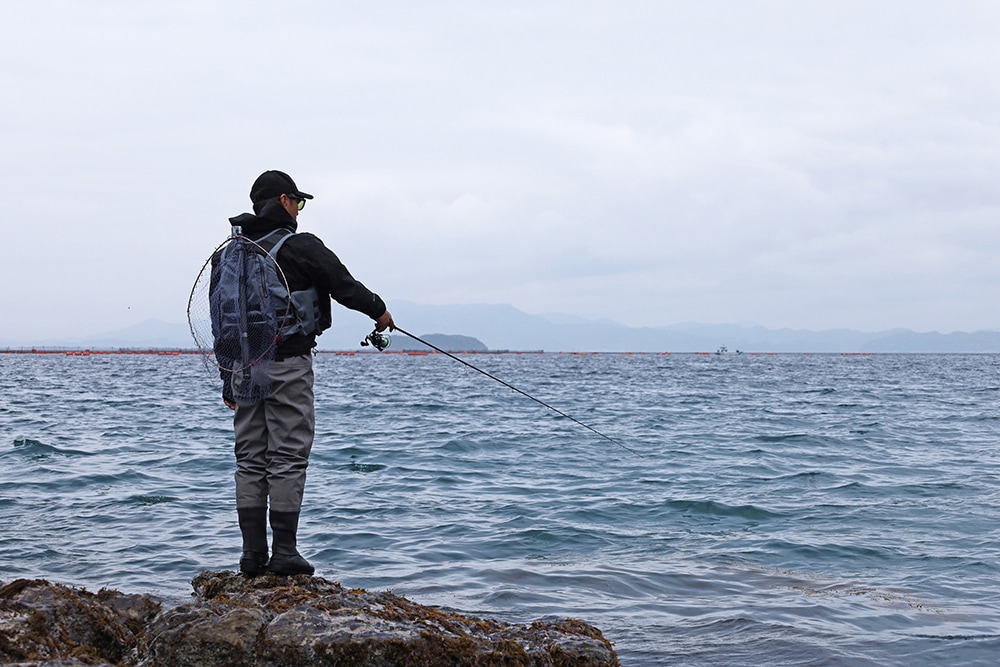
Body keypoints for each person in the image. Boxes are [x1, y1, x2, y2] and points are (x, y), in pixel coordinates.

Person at [223, 169, 393, 576]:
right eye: (298, 202)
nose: (299, 210)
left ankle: (251, 556)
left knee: (249, 459)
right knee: (287, 456)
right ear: (284, 201)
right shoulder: (299, 245)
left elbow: (222, 321)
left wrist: (226, 378)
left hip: (244, 369)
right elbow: (342, 284)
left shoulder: (231, 254)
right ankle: (284, 553)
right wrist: (379, 310)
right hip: (288, 364)